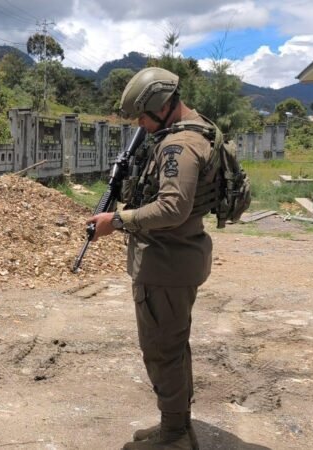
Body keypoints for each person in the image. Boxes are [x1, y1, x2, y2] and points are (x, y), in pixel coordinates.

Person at [86, 67, 217, 450]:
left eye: (143, 117)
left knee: (162, 351)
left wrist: (117, 221)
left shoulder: (180, 146)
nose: (140, 125)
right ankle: (175, 425)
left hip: (166, 265)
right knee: (172, 347)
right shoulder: (194, 131)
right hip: (175, 260)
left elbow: (173, 208)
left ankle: (174, 437)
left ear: (161, 107)